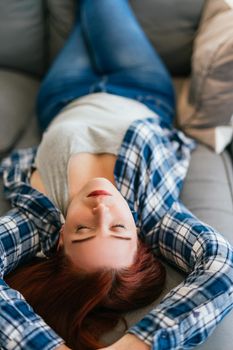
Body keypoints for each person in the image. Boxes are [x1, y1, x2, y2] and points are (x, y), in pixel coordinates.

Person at [1, 0, 233, 349]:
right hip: (141, 86)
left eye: (82, 231)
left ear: (60, 240)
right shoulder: (156, 214)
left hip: (64, 95)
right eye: (119, 229)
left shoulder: (38, 219)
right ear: (140, 237)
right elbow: (221, 266)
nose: (102, 210)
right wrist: (138, 344)